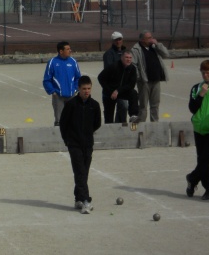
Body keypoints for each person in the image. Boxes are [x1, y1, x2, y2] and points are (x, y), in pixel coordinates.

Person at [60, 75, 102, 214]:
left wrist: (88, 134)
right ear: (78, 88)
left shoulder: (94, 105)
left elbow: (97, 123)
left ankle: (78, 198)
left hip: (88, 144)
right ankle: (85, 201)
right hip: (74, 144)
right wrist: (68, 140)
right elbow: (63, 124)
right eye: (84, 88)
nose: (86, 91)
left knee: (84, 172)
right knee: (80, 172)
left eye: (89, 88)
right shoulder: (71, 105)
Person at [185, 60, 209, 200]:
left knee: (206, 158)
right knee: (202, 160)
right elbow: (192, 108)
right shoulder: (196, 88)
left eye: (208, 73)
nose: (205, 75)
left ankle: (192, 178)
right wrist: (201, 95)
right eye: (203, 72)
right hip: (198, 129)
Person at [131, 30, 169, 122]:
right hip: (144, 82)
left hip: (156, 80)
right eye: (149, 38)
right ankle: (142, 124)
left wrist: (158, 44)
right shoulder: (136, 49)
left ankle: (155, 125)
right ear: (142, 40)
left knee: (155, 105)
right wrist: (139, 77)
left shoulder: (154, 47)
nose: (151, 39)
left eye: (151, 37)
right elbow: (133, 64)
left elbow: (166, 54)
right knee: (143, 105)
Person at [43, 41, 82, 126]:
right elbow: (47, 80)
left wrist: (75, 89)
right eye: (68, 49)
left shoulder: (73, 62)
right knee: (59, 121)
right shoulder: (52, 62)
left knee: (72, 119)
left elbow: (78, 78)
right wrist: (52, 91)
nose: (70, 50)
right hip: (58, 97)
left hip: (71, 96)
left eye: (70, 48)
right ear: (61, 51)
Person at [97, 50, 139, 123]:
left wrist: (118, 91)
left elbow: (131, 84)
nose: (128, 59)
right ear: (122, 58)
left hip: (120, 92)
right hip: (109, 93)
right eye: (126, 57)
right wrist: (110, 91)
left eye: (130, 58)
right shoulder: (114, 66)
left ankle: (133, 115)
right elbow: (101, 77)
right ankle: (109, 128)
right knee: (109, 117)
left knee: (133, 93)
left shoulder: (132, 68)